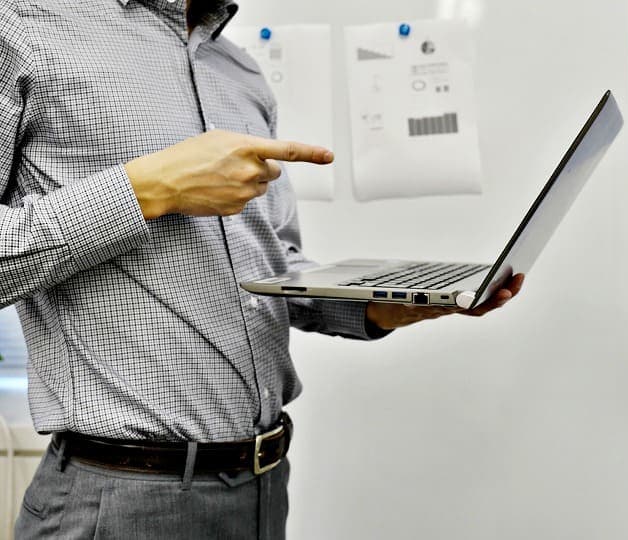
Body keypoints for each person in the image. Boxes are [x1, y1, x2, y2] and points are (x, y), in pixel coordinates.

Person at [0, 0, 524, 538]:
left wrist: (373, 306)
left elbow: (274, 266)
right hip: (119, 500)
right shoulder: (22, 27)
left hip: (264, 486)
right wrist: (149, 190)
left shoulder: (241, 72)